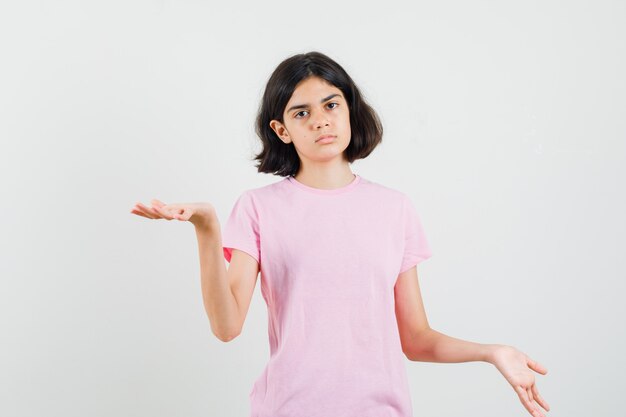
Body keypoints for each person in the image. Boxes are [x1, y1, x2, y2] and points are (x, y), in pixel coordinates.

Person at [130, 51, 550, 417]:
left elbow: (416, 339)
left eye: (331, 104)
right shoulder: (259, 208)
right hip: (288, 409)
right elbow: (226, 327)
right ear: (282, 130)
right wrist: (207, 228)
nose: (320, 121)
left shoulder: (394, 208)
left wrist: (492, 352)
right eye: (301, 113)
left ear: (349, 109)